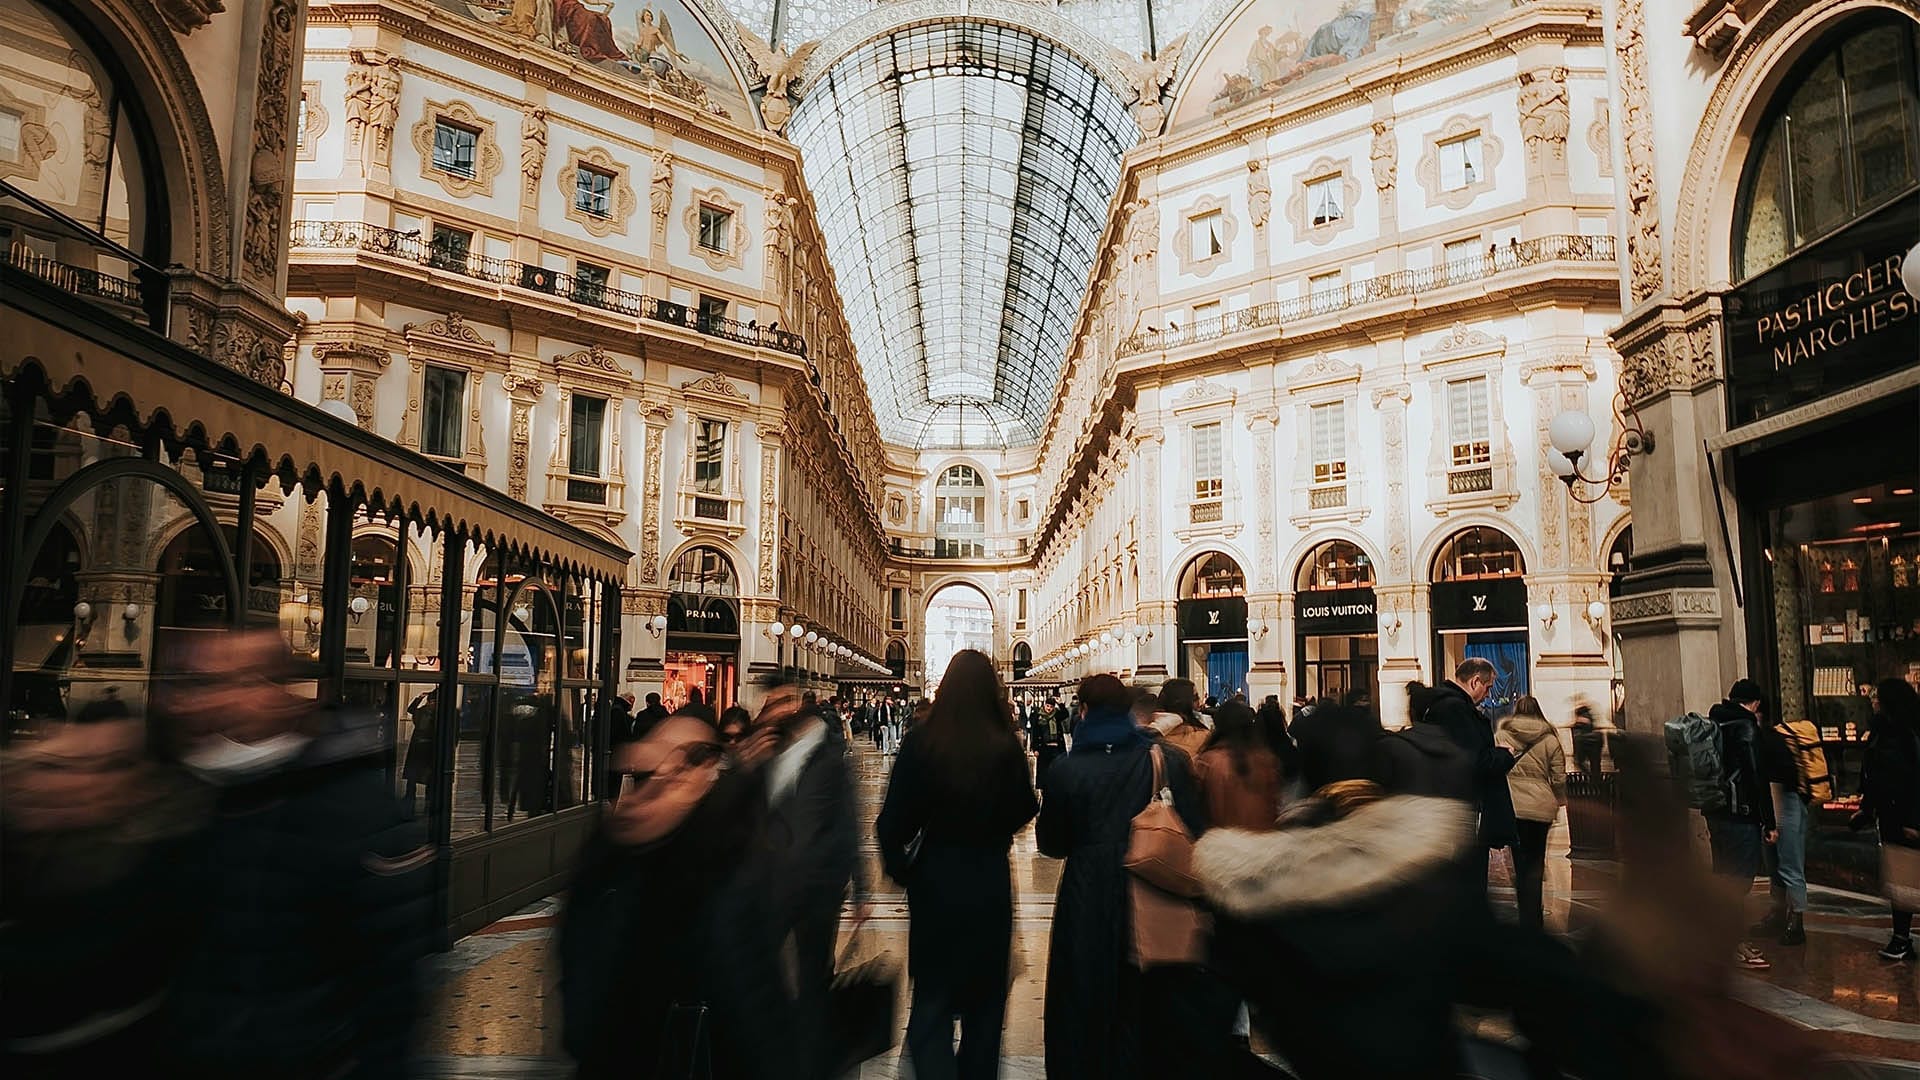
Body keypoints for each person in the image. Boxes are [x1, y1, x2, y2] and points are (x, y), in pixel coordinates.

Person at [162, 630, 435, 1080]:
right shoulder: (189, 792)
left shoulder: (352, 805)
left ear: (267, 688)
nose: (193, 701)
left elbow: (391, 982)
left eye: (214, 683)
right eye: (190, 684)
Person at [559, 710, 789, 1079]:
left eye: (685, 761)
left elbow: (751, 985)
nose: (666, 773)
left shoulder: (725, 851)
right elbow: (578, 957)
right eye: (655, 764)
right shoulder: (611, 849)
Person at [1, 697, 205, 1078]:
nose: (84, 782)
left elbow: (57, 970)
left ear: (145, 783)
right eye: (70, 766)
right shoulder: (34, 839)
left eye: (110, 766)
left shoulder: (159, 863)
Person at [1037, 674, 1222, 1080]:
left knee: (1084, 993)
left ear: (1082, 711)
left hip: (1087, 894)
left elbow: (1051, 843)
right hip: (1152, 890)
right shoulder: (1163, 759)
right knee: (1144, 997)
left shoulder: (1066, 771)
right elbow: (1194, 829)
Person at [876, 650, 1038, 1080]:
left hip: (936, 882)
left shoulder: (922, 742)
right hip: (988, 881)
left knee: (931, 1000)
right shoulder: (1004, 745)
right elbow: (1025, 807)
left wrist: (906, 872)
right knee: (985, 1008)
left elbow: (890, 824)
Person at [756, 682, 864, 1080]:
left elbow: (849, 822)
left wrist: (861, 888)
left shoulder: (830, 757)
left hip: (819, 883)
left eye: (785, 702)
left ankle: (812, 1051)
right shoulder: (768, 749)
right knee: (762, 963)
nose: (778, 709)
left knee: (815, 970)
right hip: (773, 880)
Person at [1416, 658, 1518, 892]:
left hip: (1448, 805)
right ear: (1475, 682)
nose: (1488, 693)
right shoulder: (1456, 710)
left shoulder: (1441, 706)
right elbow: (1472, 761)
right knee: (1468, 881)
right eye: (1488, 687)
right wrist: (1503, 755)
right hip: (1464, 808)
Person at [1704, 678, 1776, 970]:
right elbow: (1756, 777)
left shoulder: (1714, 723)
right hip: (1740, 815)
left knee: (1723, 878)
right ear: (1755, 702)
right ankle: (1732, 943)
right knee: (1738, 882)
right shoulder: (1746, 727)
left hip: (1716, 812)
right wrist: (1769, 821)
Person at [1858, 678, 1920, 961]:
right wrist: (1867, 807)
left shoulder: (1910, 735)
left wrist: (1913, 820)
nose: (1873, 700)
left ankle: (1902, 937)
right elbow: (1872, 775)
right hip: (1890, 815)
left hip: (1908, 817)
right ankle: (1901, 937)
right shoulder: (1879, 733)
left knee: (1908, 876)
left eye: (1877, 697)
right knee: (1900, 878)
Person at [1755, 701, 1826, 947]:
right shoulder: (1767, 738)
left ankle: (1796, 923)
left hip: (1786, 804)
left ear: (1757, 711)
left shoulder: (1770, 740)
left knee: (1789, 866)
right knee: (1778, 866)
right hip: (1783, 804)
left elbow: (1785, 777)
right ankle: (1780, 917)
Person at [1497, 696, 1566, 932]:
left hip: (1513, 806)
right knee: (1536, 862)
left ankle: (1524, 911)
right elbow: (1558, 776)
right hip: (1540, 808)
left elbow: (1495, 767)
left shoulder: (1502, 735)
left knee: (1519, 861)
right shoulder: (1550, 738)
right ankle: (1533, 916)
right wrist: (1559, 797)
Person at [1195, 699, 1284, 832]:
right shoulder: (1265, 759)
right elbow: (1273, 805)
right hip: (1263, 841)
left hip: (1222, 843)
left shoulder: (1207, 762)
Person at [1149, 678, 1212, 758]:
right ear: (1186, 702)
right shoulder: (1203, 737)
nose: (1199, 701)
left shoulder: (1145, 732)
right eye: (1195, 697)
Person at [1570, 703, 1606, 777]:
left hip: (1584, 746)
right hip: (1594, 746)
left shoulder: (1579, 724)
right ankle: (1595, 780)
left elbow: (1577, 742)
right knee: (1595, 767)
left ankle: (1591, 777)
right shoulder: (1590, 723)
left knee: (1581, 763)